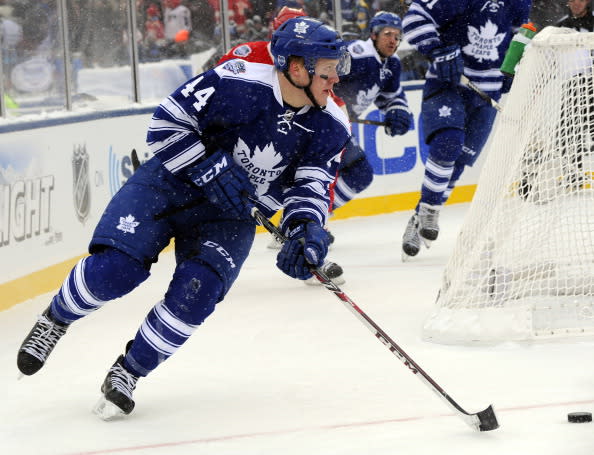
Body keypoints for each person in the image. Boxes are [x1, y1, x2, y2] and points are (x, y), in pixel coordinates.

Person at [16, 16, 351, 419]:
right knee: (116, 270)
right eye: (329, 72)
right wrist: (208, 165)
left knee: (198, 292)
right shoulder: (237, 79)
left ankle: (128, 372)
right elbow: (164, 122)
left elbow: (312, 185)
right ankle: (56, 318)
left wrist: (307, 230)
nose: (336, 83)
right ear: (297, 68)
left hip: (231, 214)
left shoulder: (331, 122)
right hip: (170, 182)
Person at [400, 0, 532, 260]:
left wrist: (512, 67)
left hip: (488, 91)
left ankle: (420, 215)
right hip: (449, 83)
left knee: (459, 161)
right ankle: (429, 209)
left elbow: (519, 34)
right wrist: (439, 49)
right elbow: (414, 19)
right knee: (448, 144)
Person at [331, 11, 412, 213]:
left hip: (339, 128)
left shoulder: (391, 64)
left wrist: (397, 112)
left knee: (356, 174)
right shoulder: (357, 54)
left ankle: (307, 221)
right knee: (356, 173)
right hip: (323, 123)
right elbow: (321, 72)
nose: (393, 41)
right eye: (388, 34)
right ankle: (306, 222)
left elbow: (392, 96)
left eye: (397, 36)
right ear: (373, 35)